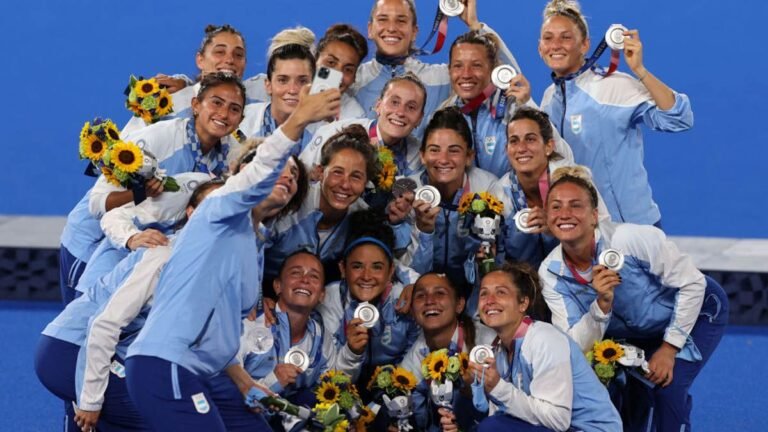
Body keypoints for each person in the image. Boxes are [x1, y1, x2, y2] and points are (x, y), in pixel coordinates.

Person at [124, 84, 340, 431]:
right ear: (242, 174)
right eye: (276, 168)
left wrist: (243, 381)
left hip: (198, 371)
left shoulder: (252, 240)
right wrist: (298, 119)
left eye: (294, 174)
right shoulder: (218, 209)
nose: (286, 174)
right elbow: (256, 173)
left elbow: (218, 327)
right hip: (165, 364)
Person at [540, 166, 728, 431]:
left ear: (595, 216)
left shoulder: (629, 239)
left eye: (576, 206)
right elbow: (573, 344)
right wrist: (601, 306)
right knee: (627, 394)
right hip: (634, 334)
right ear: (547, 217)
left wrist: (669, 348)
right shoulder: (551, 272)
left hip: (698, 311)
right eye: (556, 207)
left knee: (667, 388)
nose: (565, 214)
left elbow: (693, 284)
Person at [35, 179, 223, 432]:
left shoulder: (216, 262)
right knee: (155, 419)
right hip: (71, 349)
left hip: (109, 353)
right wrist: (90, 401)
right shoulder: (164, 255)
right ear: (190, 213)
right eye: (211, 206)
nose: (221, 213)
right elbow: (104, 325)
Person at [58, 72, 245, 306]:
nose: (224, 114)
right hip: (95, 242)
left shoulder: (230, 154)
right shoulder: (157, 137)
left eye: (234, 109)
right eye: (216, 103)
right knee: (82, 325)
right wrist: (140, 193)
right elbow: (97, 203)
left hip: (150, 248)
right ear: (195, 105)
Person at [538, 0, 693, 226]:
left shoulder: (613, 85)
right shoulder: (549, 98)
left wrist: (640, 70)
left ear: (585, 45)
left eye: (566, 37)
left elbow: (678, 118)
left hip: (631, 226)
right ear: (540, 47)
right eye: (548, 38)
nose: (556, 45)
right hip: (581, 231)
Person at [459, 262, 621, 432]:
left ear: (523, 303)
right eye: (484, 294)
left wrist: (498, 387)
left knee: (492, 428)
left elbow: (558, 419)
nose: (490, 301)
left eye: (501, 292)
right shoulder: (498, 351)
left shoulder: (544, 339)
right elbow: (505, 411)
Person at [212, 251, 341, 431]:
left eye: (314, 276)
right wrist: (274, 380)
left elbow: (331, 389)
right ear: (277, 286)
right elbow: (224, 391)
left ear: (321, 294)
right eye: (296, 273)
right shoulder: (251, 323)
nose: (305, 280)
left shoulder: (321, 338)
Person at [353, 0, 513, 138]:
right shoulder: (354, 80)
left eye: (401, 21)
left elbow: (507, 76)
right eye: (383, 19)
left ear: (415, 31)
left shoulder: (442, 77)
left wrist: (475, 25)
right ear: (370, 29)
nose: (392, 28)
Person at [263, 124, 378, 290]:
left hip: (309, 296)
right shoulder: (291, 201)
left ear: (366, 183)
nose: (345, 185)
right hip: (259, 288)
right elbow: (247, 252)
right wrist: (260, 296)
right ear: (320, 172)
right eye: (337, 172)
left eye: (356, 176)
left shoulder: (363, 218)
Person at [399, 107, 499, 298]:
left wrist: (483, 259)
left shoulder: (488, 189)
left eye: (454, 151)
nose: (443, 160)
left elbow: (492, 266)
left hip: (472, 295)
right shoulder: (406, 192)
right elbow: (404, 269)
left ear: (469, 157)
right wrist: (424, 230)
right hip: (421, 295)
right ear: (422, 155)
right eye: (434, 150)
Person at [491, 107, 601, 274]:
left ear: (549, 146)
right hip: (524, 288)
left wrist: (556, 228)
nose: (521, 148)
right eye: (514, 141)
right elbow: (497, 259)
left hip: (578, 280)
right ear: (507, 149)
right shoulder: (498, 194)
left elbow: (602, 231)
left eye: (530, 139)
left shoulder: (576, 181)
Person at [317, 210, 420, 383]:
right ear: (343, 269)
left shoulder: (404, 298)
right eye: (357, 266)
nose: (366, 276)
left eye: (377, 267)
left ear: (390, 272)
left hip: (395, 385)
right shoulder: (330, 300)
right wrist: (352, 350)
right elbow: (329, 379)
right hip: (344, 385)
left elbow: (414, 354)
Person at [399, 272, 490, 431]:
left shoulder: (485, 343)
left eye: (439, 293)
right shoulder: (418, 352)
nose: (429, 301)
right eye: (421, 296)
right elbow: (402, 398)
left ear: (459, 305)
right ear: (412, 310)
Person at [122, 24, 251, 136]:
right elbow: (124, 148)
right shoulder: (167, 103)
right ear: (200, 60)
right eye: (219, 52)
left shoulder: (257, 98)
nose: (230, 60)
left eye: (238, 55)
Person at [300, 72, 427, 178]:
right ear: (378, 106)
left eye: (411, 107)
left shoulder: (418, 155)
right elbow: (300, 177)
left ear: (420, 119)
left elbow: (409, 194)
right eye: (394, 102)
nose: (400, 112)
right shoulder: (335, 133)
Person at [245, 24, 369, 121]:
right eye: (330, 63)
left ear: (354, 77)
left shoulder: (354, 116)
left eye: (348, 69)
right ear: (314, 60)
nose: (337, 74)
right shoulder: (254, 89)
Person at [239, 28, 317, 150]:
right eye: (283, 80)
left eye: (302, 81)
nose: (292, 90)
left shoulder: (324, 132)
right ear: (268, 85)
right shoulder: (241, 123)